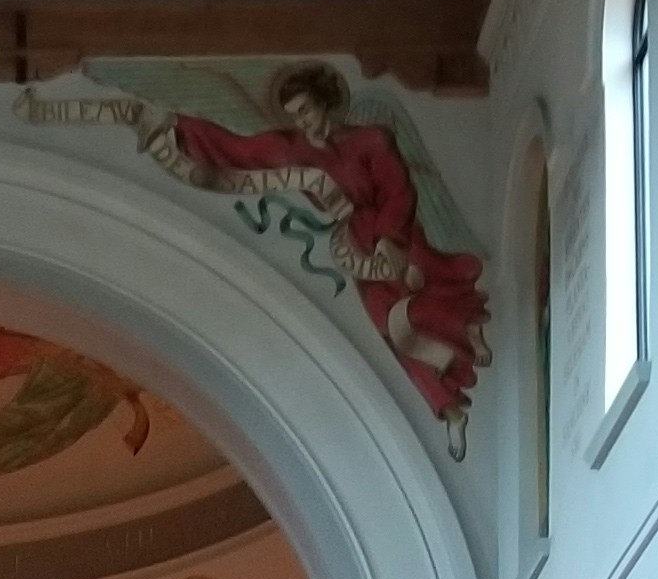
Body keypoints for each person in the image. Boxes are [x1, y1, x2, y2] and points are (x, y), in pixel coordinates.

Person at [150, 66, 490, 450]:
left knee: (427, 302)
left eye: (307, 110)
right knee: (387, 326)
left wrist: (388, 239)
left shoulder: (370, 141)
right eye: (295, 114)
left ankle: (470, 340)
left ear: (327, 104)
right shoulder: (293, 149)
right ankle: (449, 408)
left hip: (397, 241)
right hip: (358, 249)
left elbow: (398, 191)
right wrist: (179, 125)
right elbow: (240, 151)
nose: (302, 120)